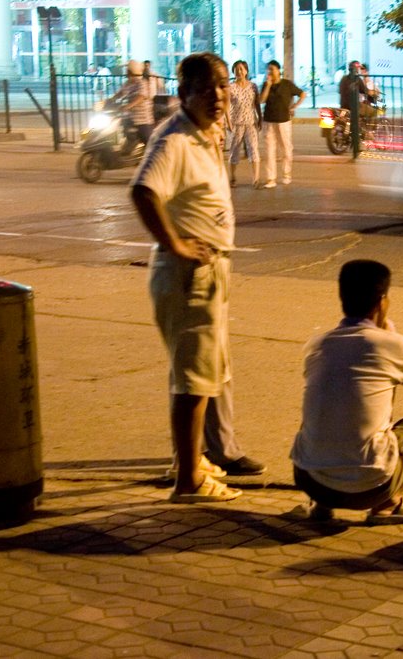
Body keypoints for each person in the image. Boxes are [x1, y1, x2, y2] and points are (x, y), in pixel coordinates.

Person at [129, 52, 244, 503]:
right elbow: (142, 191)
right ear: (183, 95)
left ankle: (193, 461)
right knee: (193, 382)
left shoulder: (205, 133)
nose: (218, 95)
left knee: (199, 374)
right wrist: (175, 244)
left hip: (208, 272)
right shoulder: (175, 140)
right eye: (205, 88)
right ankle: (188, 483)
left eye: (222, 86)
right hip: (188, 275)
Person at [290, 259, 403, 524]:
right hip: (369, 489)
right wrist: (393, 340)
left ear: (342, 297)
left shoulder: (316, 345)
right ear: (382, 301)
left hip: (309, 479)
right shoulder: (391, 344)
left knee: (331, 400)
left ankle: (320, 505)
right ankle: (390, 504)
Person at [259, 60, 305, 188]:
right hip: (268, 121)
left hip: (283, 121)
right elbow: (261, 100)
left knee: (286, 148)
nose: (270, 72)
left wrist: (294, 106)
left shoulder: (287, 84)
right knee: (269, 150)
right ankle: (270, 179)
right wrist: (268, 85)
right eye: (268, 69)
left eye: (272, 69)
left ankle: (286, 174)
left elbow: (302, 94)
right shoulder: (266, 85)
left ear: (278, 70)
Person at [227, 60, 262, 188]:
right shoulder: (230, 87)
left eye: (241, 69)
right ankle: (233, 178)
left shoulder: (253, 86)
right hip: (236, 123)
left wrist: (260, 118)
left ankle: (256, 179)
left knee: (253, 149)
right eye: (236, 69)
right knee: (234, 150)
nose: (239, 71)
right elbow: (226, 106)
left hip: (250, 122)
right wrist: (228, 121)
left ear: (246, 71)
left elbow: (257, 103)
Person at [113, 59, 155, 152]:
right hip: (130, 117)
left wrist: (128, 106)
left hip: (142, 118)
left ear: (131, 71)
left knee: (149, 143)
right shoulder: (128, 83)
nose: (126, 72)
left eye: (127, 70)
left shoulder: (142, 83)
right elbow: (120, 93)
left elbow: (141, 97)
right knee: (126, 132)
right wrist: (110, 100)